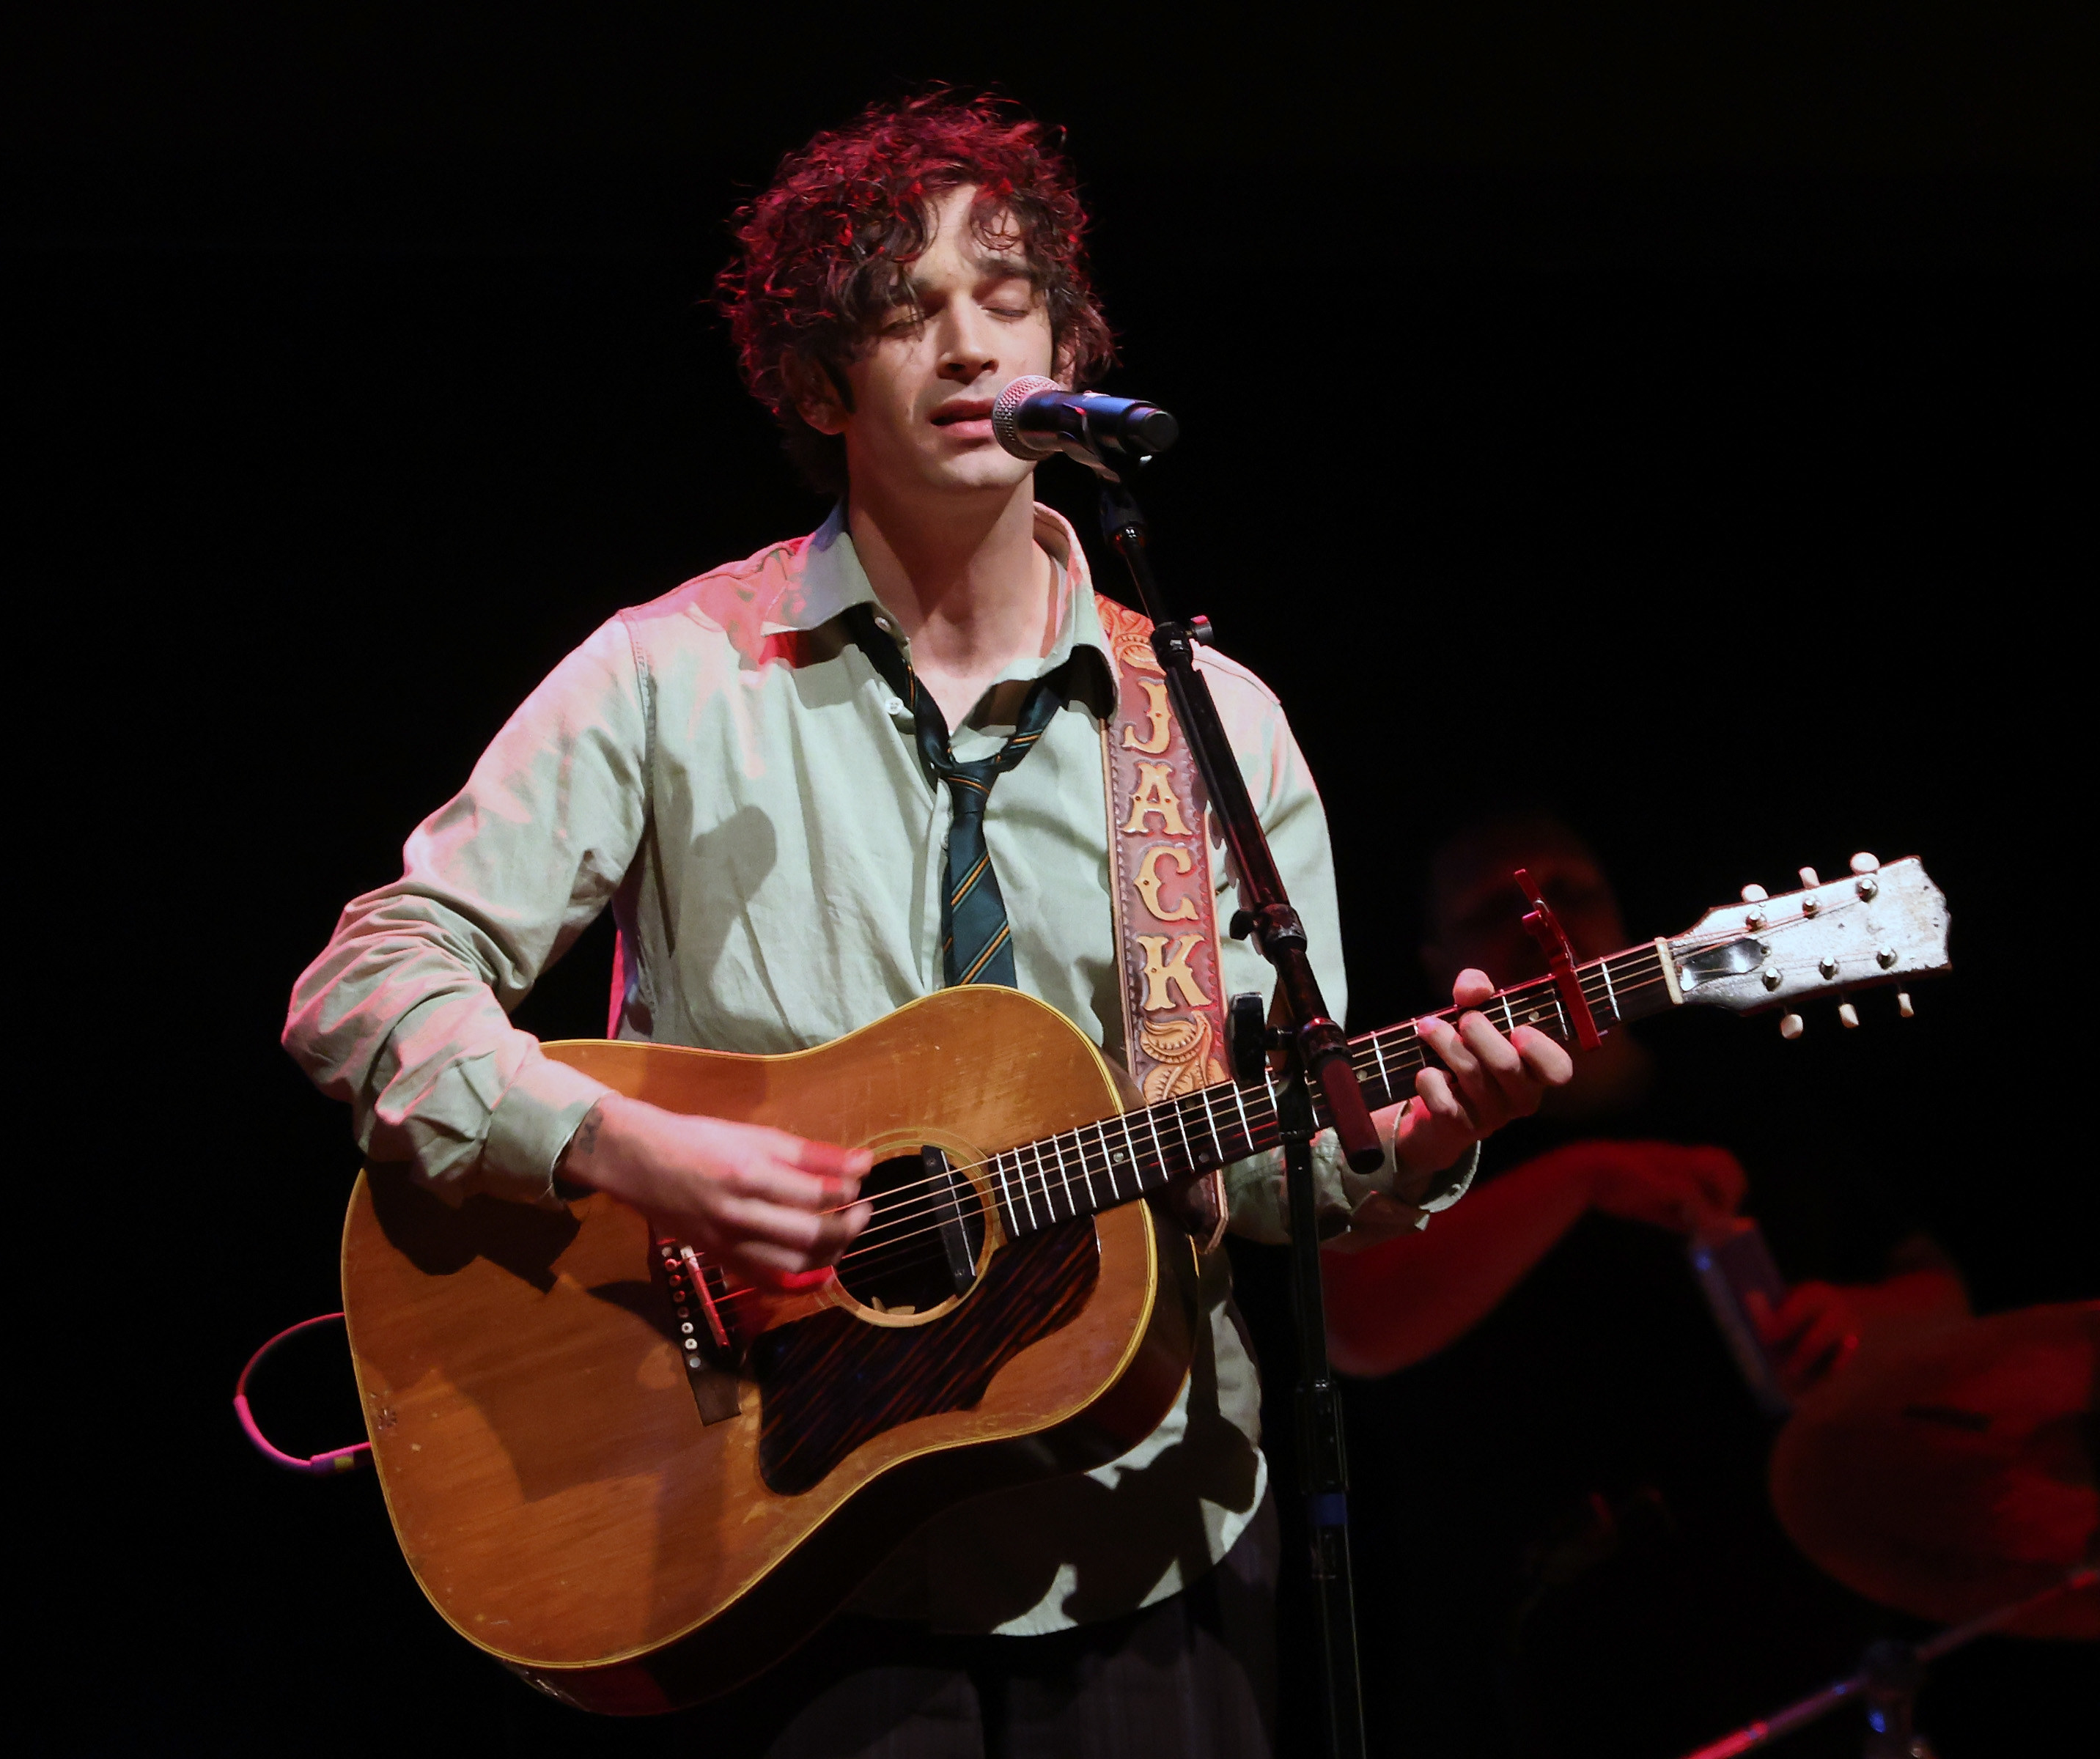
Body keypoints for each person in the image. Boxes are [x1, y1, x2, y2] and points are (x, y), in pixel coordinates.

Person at [281, 95, 1569, 1758]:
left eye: (1009, 296)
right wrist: (623, 1150)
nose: (970, 345)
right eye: (906, 311)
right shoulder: (671, 674)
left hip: (1142, 1542)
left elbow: (1254, 1167)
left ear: (1067, 341)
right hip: (770, 1533)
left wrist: (1405, 1137)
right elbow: (368, 980)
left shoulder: (1207, 720)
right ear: (820, 385)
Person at [1318, 810, 1968, 1758]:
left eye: (1573, 891)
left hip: (1785, 1616)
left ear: (1625, 921)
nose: (1544, 922)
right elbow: (1360, 1327)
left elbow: (1940, 1292)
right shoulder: (1421, 1140)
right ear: (1437, 966)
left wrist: (1862, 1322)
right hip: (1532, 1661)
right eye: (1497, 908)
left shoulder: (1739, 1098)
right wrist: (1587, 1179)